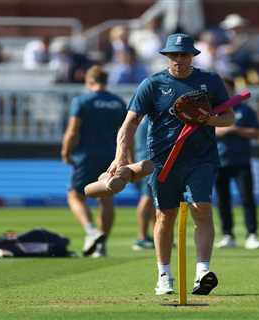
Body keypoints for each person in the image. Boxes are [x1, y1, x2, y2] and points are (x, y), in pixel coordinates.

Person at [107, 33, 234, 295]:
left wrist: (209, 120)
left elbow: (229, 116)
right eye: (174, 55)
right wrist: (121, 155)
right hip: (163, 160)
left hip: (201, 158)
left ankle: (202, 272)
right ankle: (164, 275)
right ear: (166, 56)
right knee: (166, 216)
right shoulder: (152, 84)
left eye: (184, 54)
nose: (179, 60)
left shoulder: (209, 81)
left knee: (202, 209)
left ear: (192, 56)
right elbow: (130, 122)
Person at [61, 65, 127, 257]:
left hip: (86, 156)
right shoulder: (117, 102)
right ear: (106, 81)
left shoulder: (82, 101)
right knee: (106, 199)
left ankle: (91, 231)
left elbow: (73, 130)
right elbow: (125, 133)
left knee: (75, 195)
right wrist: (126, 156)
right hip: (111, 156)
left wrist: (66, 152)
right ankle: (101, 246)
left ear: (88, 81)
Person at [214, 78, 259, 250]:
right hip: (219, 161)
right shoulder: (215, 110)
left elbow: (256, 133)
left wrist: (234, 130)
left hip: (241, 161)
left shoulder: (245, 111)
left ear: (233, 90)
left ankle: (252, 234)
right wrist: (223, 130)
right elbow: (207, 129)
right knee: (222, 200)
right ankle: (228, 235)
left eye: (227, 89)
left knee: (247, 198)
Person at [132, 117, 156, 250]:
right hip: (148, 161)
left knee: (152, 198)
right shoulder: (149, 118)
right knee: (147, 197)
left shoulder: (142, 118)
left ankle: (154, 234)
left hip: (143, 159)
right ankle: (141, 237)